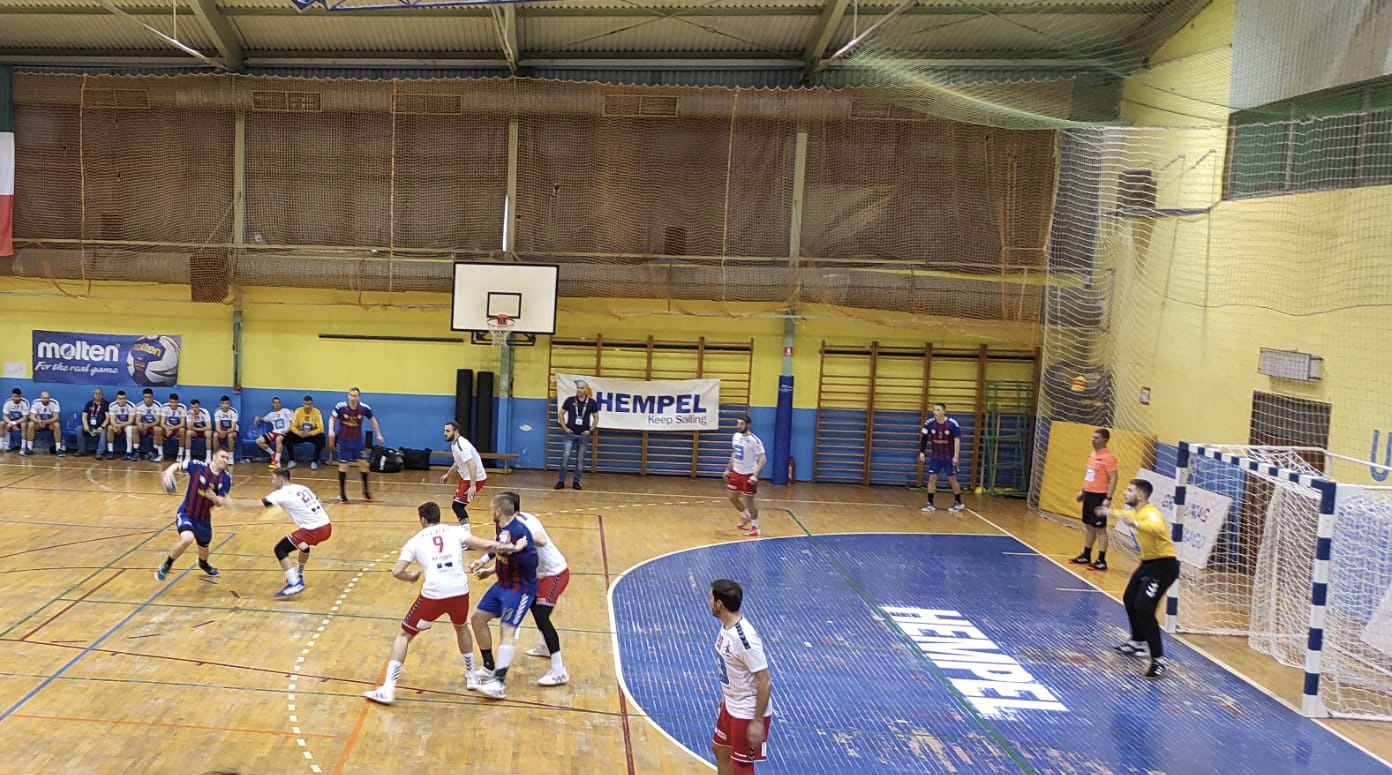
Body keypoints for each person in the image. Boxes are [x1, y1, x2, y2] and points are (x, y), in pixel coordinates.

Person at [363, 501, 518, 706]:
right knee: (461, 627)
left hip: (434, 593)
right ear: (438, 517)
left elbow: (397, 571)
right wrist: (511, 546)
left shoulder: (415, 541)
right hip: (459, 591)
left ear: (422, 520)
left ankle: (388, 688)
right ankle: (471, 676)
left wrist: (410, 577)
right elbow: (486, 545)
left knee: (403, 635)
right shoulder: (455, 531)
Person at [485, 491, 570, 686]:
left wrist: (522, 539)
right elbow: (505, 554)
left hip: (554, 573)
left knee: (541, 616)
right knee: (532, 607)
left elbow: (541, 540)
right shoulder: (505, 526)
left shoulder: (525, 523)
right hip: (535, 575)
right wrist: (490, 569)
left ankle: (559, 670)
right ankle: (546, 647)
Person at [1099, 479, 1179, 679]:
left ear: (1140, 496)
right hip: (1148, 564)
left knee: (1144, 609)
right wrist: (1110, 512)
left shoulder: (1150, 514)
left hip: (1163, 567)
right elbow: (1126, 514)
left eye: (1129, 490)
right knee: (1129, 598)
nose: (1125, 493)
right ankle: (1137, 642)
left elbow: (1156, 527)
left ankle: (1158, 660)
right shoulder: (1137, 511)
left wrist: (1135, 524)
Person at [468, 494, 539, 700]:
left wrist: (516, 551)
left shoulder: (519, 531)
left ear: (498, 511)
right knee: (477, 619)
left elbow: (532, 562)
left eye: (492, 509)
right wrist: (485, 564)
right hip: (501, 584)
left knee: (506, 630)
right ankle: (489, 666)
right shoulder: (502, 528)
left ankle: (498, 683)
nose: (491, 512)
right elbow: (498, 547)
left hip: (520, 589)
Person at [709, 579, 774, 775]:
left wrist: (757, 721)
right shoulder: (727, 627)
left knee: (741, 767)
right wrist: (726, 694)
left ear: (719, 604)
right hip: (731, 704)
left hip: (747, 711)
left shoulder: (745, 639)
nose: (708, 602)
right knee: (720, 749)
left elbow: (765, 680)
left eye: (710, 597)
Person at [156, 449, 234, 582]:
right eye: (223, 457)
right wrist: (169, 472)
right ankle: (166, 565)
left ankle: (203, 564)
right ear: (214, 457)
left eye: (227, 458)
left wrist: (214, 498)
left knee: (204, 545)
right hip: (186, 513)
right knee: (187, 539)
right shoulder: (198, 467)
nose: (225, 460)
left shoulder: (226, 478)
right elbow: (178, 465)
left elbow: (220, 502)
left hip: (204, 518)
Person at [259, 467, 332, 598]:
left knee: (280, 549)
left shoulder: (280, 493)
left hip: (313, 529)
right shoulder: (301, 488)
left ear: (280, 479)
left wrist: (231, 503)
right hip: (326, 525)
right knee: (303, 545)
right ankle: (299, 574)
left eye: (273, 479)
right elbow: (319, 501)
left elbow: (258, 504)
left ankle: (294, 583)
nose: (272, 482)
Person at [1070, 427, 1119, 571]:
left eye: (1096, 438)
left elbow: (1114, 478)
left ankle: (1101, 560)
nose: (1093, 440)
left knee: (1100, 528)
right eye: (1092, 437)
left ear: (1105, 440)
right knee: (1089, 525)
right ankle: (1086, 554)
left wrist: (1108, 498)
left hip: (1100, 496)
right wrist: (1083, 491)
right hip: (1089, 495)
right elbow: (1090, 476)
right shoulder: (1092, 455)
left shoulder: (1108, 458)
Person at [329, 387, 384, 504]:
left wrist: (378, 434)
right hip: (343, 441)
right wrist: (331, 430)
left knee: (364, 465)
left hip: (357, 441)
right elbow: (332, 418)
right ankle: (342, 494)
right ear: (348, 396)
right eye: (351, 395)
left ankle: (366, 491)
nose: (352, 398)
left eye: (355, 396)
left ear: (359, 397)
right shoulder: (340, 407)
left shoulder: (364, 408)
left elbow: (372, 420)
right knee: (343, 466)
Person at [724, 415, 766, 537]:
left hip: (748, 474)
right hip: (736, 472)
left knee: (749, 502)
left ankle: (755, 527)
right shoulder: (736, 436)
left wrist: (755, 475)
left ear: (748, 425)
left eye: (741, 424)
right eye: (738, 423)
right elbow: (734, 453)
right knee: (732, 497)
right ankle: (745, 516)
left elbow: (763, 459)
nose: (738, 426)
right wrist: (728, 469)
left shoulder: (754, 440)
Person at [918, 403, 964, 512]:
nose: (935, 412)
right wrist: (922, 451)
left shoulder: (952, 424)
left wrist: (956, 456)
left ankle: (958, 502)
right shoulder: (929, 423)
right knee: (932, 478)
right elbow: (924, 437)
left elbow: (957, 440)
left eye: (938, 410)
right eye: (934, 410)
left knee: (952, 479)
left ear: (944, 411)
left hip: (949, 456)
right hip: (936, 456)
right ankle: (930, 503)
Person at [555, 380, 598, 491]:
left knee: (580, 459)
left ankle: (576, 482)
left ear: (586, 390)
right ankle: (561, 481)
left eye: (582, 388)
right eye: (578, 387)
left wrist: (590, 430)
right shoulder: (570, 400)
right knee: (565, 456)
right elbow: (561, 413)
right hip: (570, 434)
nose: (579, 390)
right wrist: (565, 428)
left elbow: (596, 417)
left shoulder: (591, 402)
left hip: (583, 436)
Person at [441, 420, 486, 525]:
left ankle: (466, 532)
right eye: (444, 431)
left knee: (457, 506)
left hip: (475, 478)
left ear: (455, 431)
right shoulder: (454, 444)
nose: (445, 433)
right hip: (467, 477)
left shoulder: (461, 446)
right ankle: (465, 530)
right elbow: (457, 462)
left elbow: (472, 465)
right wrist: (448, 474)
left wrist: (473, 486)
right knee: (458, 505)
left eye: (448, 431)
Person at [282, 395, 326, 470]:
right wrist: (298, 432)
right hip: (300, 434)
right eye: (305, 404)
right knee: (289, 436)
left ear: (312, 404)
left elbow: (321, 428)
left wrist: (310, 433)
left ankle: (315, 461)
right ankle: (291, 460)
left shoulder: (317, 412)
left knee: (321, 437)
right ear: (303, 404)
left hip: (311, 434)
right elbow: (293, 426)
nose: (307, 406)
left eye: (309, 404)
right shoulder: (298, 411)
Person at [253, 397, 294, 469]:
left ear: (280, 403)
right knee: (259, 441)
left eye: (278, 403)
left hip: (285, 432)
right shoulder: (271, 414)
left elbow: (292, 423)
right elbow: (263, 419)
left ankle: (277, 462)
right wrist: (257, 417)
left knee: (278, 439)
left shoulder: (286, 411)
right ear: (272, 404)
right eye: (275, 403)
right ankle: (272, 454)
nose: (277, 404)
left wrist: (287, 430)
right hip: (275, 432)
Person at [21, 390, 64, 457]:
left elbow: (56, 417)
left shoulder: (54, 403)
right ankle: (29, 448)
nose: (46, 399)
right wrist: (38, 421)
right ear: (41, 398)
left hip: (49, 423)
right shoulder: (36, 403)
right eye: (44, 398)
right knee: (31, 424)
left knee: (57, 424)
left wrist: (46, 422)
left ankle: (58, 449)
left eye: (47, 398)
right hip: (39, 423)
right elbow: (31, 417)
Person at [76, 388, 108, 458]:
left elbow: (107, 418)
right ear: (93, 395)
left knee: (104, 432)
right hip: (90, 427)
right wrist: (85, 425)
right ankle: (82, 451)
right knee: (79, 429)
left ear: (102, 395)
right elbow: (84, 415)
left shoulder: (106, 404)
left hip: (100, 427)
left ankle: (99, 453)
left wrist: (102, 427)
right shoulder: (89, 404)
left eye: (99, 394)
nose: (98, 395)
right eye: (96, 393)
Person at [106, 390, 138, 460]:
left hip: (127, 425)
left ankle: (128, 452)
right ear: (117, 399)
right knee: (110, 428)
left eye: (123, 398)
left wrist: (120, 426)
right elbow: (112, 420)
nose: (122, 400)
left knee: (129, 429)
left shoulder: (131, 406)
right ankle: (110, 451)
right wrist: (115, 425)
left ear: (126, 398)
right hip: (117, 425)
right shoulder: (112, 405)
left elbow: (131, 421)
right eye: (120, 399)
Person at [157, 392, 187, 464]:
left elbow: (182, 424)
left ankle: (180, 455)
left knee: (182, 430)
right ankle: (160, 454)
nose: (174, 404)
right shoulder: (165, 408)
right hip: (167, 429)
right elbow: (162, 423)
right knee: (158, 429)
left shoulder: (182, 409)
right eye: (172, 402)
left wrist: (172, 428)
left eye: (175, 402)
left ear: (178, 402)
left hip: (176, 429)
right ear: (170, 402)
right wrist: (167, 428)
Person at [134, 389, 163, 460]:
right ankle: (136, 451)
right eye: (146, 397)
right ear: (143, 397)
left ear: (152, 397)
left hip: (153, 426)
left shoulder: (157, 406)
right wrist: (140, 424)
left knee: (158, 429)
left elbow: (158, 421)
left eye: (149, 397)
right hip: (144, 427)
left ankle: (155, 451)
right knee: (135, 428)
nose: (147, 399)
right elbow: (137, 420)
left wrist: (149, 425)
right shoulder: (139, 406)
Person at [182, 398, 213, 463]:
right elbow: (189, 428)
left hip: (203, 431)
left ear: (199, 407)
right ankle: (187, 456)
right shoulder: (188, 413)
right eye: (192, 407)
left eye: (196, 407)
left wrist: (196, 429)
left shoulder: (204, 412)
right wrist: (192, 416)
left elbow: (209, 427)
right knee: (188, 433)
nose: (194, 409)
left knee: (209, 433)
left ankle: (208, 457)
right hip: (194, 432)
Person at [212, 395, 240, 462]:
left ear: (229, 404)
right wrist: (221, 432)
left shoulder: (233, 412)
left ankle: (230, 457)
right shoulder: (217, 412)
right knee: (215, 435)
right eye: (223, 403)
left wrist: (225, 433)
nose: (225, 405)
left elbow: (233, 428)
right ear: (220, 404)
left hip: (231, 431)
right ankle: (217, 455)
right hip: (221, 430)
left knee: (230, 435)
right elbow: (217, 427)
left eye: (227, 403)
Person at [2, 388, 28, 452]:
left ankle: (23, 447)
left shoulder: (24, 403)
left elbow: (25, 418)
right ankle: (1, 446)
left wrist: (14, 423)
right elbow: (4, 416)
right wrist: (10, 423)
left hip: (19, 422)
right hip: (10, 421)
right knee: (1, 423)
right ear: (12, 396)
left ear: (20, 396)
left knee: (24, 424)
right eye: (15, 396)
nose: (16, 398)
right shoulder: (8, 403)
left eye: (18, 396)